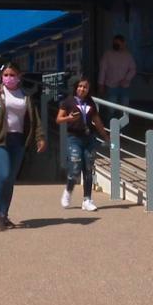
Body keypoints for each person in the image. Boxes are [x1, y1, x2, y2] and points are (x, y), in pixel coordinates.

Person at [0, 63, 47, 231]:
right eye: (6, 74)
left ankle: (4, 215)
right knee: (4, 175)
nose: (9, 78)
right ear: (1, 76)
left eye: (12, 74)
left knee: (11, 179)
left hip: (18, 141)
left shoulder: (25, 95)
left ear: (19, 76)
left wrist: (40, 137)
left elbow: (35, 118)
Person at [57, 77, 109, 212]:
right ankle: (68, 191)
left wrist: (105, 136)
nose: (82, 89)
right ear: (76, 87)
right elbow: (58, 119)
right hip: (74, 138)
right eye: (80, 86)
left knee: (88, 169)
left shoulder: (90, 102)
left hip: (89, 138)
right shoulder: (68, 101)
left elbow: (97, 121)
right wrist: (69, 118)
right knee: (75, 167)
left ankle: (87, 200)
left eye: (85, 87)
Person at [98, 34, 136, 117]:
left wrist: (126, 79)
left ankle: (124, 128)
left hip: (125, 86)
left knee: (125, 110)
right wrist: (101, 84)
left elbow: (133, 69)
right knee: (111, 109)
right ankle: (110, 126)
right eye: (114, 43)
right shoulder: (107, 54)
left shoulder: (128, 55)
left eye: (118, 44)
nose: (116, 45)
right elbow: (103, 70)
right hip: (111, 86)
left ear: (123, 44)